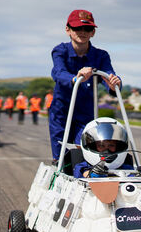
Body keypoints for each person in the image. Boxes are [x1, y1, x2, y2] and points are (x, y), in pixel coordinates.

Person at [49, 9, 122, 164]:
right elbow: (58, 72)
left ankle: (87, 175)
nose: (82, 32)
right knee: (61, 153)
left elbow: (109, 73)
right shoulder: (60, 50)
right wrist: (76, 78)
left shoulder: (101, 55)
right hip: (62, 108)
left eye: (87, 29)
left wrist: (114, 83)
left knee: (84, 150)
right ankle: (58, 167)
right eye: (77, 28)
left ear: (93, 32)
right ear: (68, 30)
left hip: (86, 110)